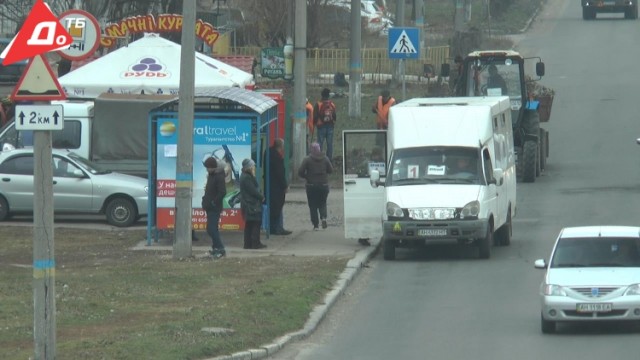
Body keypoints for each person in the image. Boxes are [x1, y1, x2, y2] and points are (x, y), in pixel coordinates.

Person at [298, 142, 333, 230]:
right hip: (323, 185)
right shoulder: (325, 158)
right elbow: (331, 170)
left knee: (312, 205)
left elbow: (300, 171)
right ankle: (323, 217)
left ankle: (316, 225)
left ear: (311, 150)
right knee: (322, 202)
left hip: (311, 185)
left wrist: (307, 177)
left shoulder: (307, 159)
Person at [265, 138, 292, 235]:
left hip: (269, 185)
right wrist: (285, 186)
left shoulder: (268, 153)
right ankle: (277, 228)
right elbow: (280, 173)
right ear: (280, 147)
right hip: (276, 188)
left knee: (273, 207)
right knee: (277, 207)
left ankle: (274, 227)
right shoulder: (277, 158)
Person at [202, 157, 227, 258]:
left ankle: (220, 248)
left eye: (208, 167)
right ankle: (216, 247)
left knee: (211, 229)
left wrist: (213, 202)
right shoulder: (211, 175)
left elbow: (222, 192)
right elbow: (208, 190)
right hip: (209, 206)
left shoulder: (219, 177)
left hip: (214, 207)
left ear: (213, 167)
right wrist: (205, 200)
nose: (207, 169)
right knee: (212, 229)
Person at [240, 158, 267, 249]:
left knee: (249, 224)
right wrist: (261, 197)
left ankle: (248, 243)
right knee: (255, 223)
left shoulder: (245, 176)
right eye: (252, 166)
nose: (254, 168)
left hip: (248, 203)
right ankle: (255, 243)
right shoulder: (246, 177)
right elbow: (253, 190)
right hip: (251, 204)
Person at [313, 88, 337, 162]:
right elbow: (334, 116)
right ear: (328, 95)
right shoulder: (332, 104)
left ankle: (319, 160)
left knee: (320, 143)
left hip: (321, 127)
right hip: (330, 126)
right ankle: (329, 160)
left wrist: (315, 123)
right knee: (329, 144)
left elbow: (315, 116)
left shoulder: (318, 104)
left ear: (322, 95)